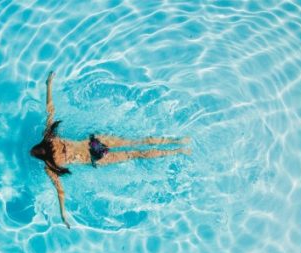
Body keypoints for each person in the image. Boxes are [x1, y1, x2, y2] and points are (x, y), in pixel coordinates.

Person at [30, 71, 190, 228]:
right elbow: (50, 110)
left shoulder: (50, 166)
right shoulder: (50, 138)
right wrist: (49, 86)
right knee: (137, 143)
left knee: (136, 153)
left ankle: (177, 151)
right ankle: (178, 141)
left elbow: (60, 192)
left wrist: (63, 214)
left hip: (97, 158)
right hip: (94, 143)